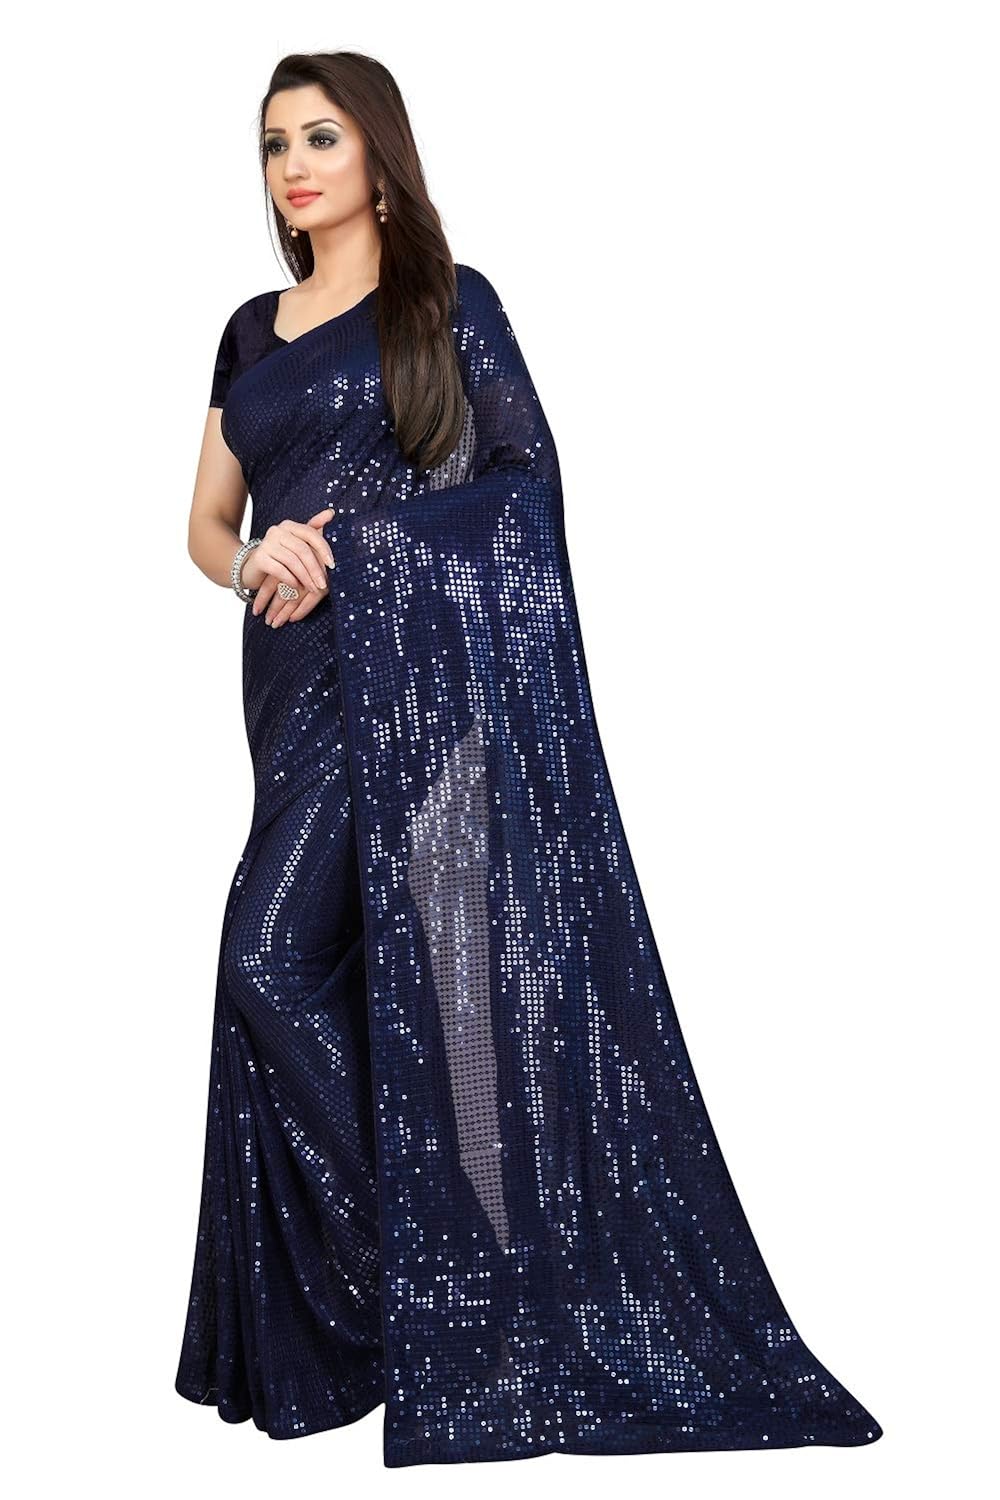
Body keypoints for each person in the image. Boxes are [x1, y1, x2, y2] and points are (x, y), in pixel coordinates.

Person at [176, 50, 883, 1469]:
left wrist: (367, 548)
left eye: (321, 138)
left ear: (379, 157)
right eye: (273, 145)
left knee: (333, 973)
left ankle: (462, 1274)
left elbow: (526, 489)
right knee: (299, 975)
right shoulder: (250, 332)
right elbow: (202, 526)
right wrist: (257, 555)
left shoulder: (448, 305)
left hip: (421, 700)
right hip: (289, 694)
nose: (293, 166)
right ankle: (433, 1278)